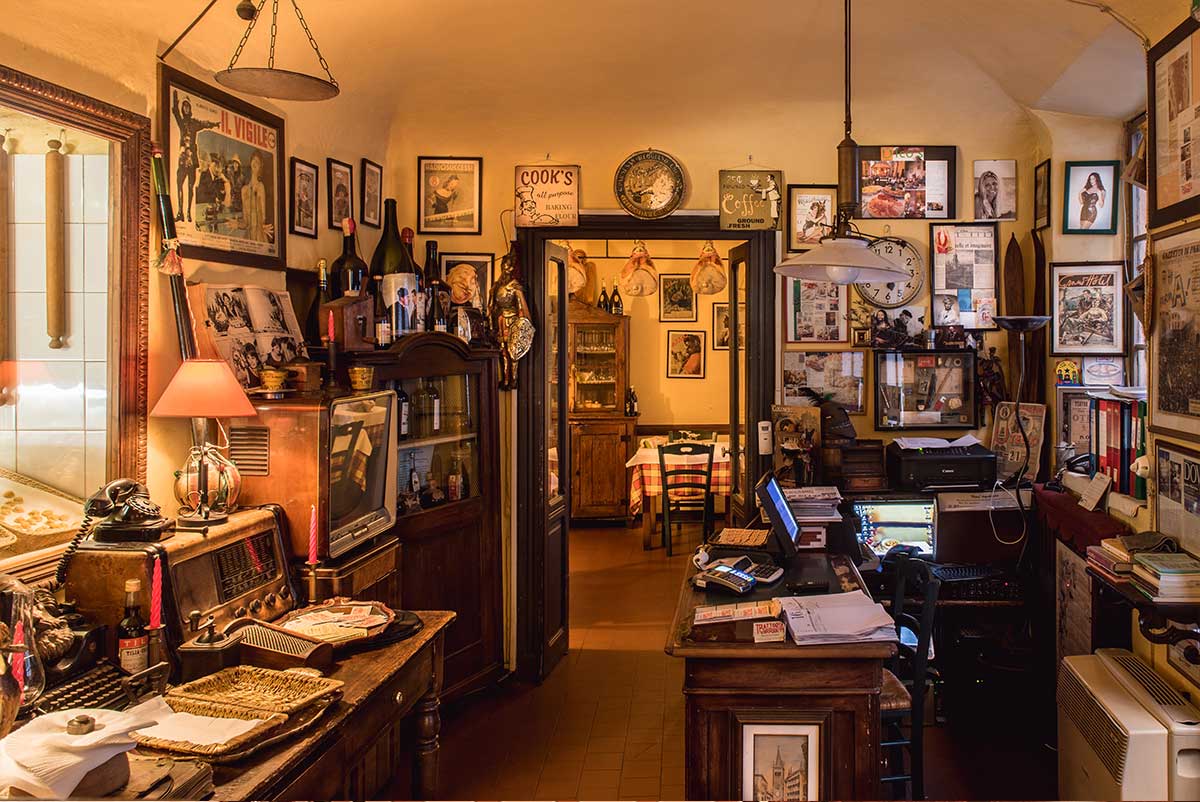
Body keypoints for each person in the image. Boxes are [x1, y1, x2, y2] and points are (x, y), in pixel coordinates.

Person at [171, 91, 218, 223]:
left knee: (190, 186)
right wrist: (175, 99)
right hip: (183, 159)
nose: (185, 108)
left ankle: (188, 213)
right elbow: (175, 112)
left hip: (192, 160)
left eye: (187, 106)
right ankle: (180, 212)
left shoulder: (194, 123)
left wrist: (214, 124)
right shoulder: (182, 123)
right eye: (184, 106)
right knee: (179, 184)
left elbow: (204, 123)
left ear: (190, 108)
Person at [240, 150, 272, 243]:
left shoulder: (260, 187)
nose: (255, 163)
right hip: (248, 236)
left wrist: (262, 227)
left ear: (260, 167)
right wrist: (237, 224)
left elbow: (263, 217)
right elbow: (245, 222)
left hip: (259, 235)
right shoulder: (244, 190)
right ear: (250, 163)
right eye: (253, 160)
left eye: (258, 162)